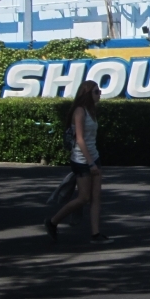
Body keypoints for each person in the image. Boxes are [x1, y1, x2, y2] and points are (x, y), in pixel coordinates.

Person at [44, 81, 110, 243]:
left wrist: (94, 160)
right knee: (84, 198)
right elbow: (79, 139)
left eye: (99, 91)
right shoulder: (79, 111)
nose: (99, 94)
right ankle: (52, 222)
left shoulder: (91, 111)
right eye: (96, 91)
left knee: (96, 198)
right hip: (81, 160)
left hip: (94, 156)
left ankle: (95, 234)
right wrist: (90, 163)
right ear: (87, 94)